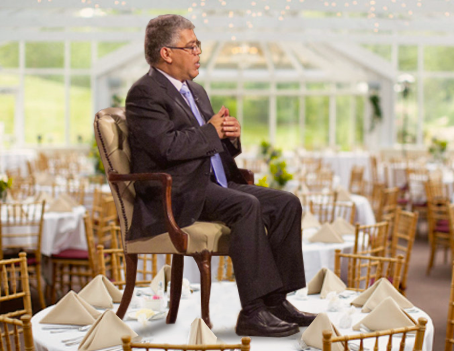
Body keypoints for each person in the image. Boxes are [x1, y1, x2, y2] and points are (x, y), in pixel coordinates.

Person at [125, 14, 315, 337]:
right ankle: (253, 312)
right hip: (179, 192)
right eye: (192, 46)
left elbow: (209, 143)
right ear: (166, 53)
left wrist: (229, 135)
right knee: (246, 206)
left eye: (198, 45)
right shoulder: (144, 94)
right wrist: (210, 131)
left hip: (212, 184)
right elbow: (166, 148)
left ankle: (276, 301)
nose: (199, 52)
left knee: (287, 204)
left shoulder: (195, 91)